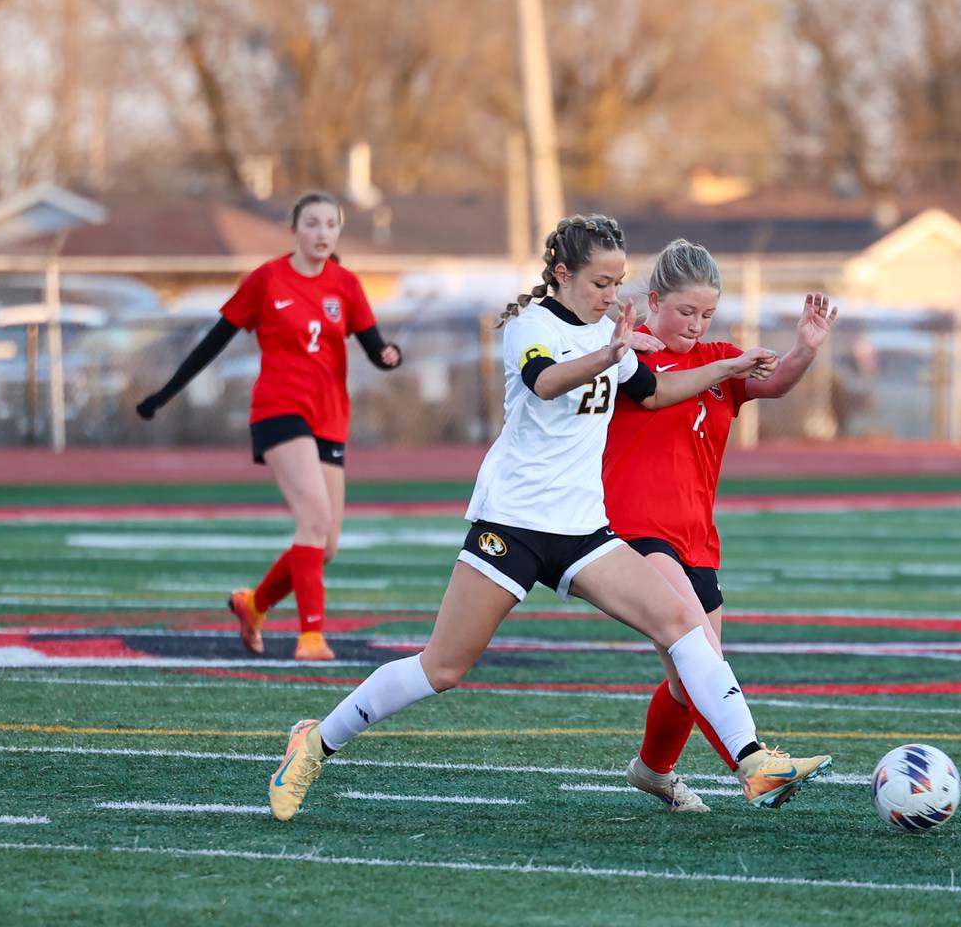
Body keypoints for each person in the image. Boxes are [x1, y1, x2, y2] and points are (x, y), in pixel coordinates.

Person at [267, 215, 832, 821]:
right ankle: (316, 741)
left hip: (584, 529)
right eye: (600, 283)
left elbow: (656, 392)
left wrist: (725, 367)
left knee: (682, 623)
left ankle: (752, 760)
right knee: (444, 666)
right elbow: (545, 382)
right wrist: (610, 351)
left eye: (618, 283)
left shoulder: (608, 332)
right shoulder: (530, 326)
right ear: (563, 274)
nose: (613, 296)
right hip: (512, 523)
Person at [603, 238, 838, 812]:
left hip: (698, 538)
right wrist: (612, 338)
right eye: (685, 311)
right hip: (637, 530)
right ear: (655, 299)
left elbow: (774, 383)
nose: (695, 324)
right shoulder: (629, 356)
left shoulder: (719, 358)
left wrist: (804, 348)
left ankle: (653, 771)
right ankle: (755, 765)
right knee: (700, 652)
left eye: (705, 314)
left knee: (691, 684)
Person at [135, 191, 401, 661]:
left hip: (331, 418)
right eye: (312, 224)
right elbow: (212, 343)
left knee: (327, 544)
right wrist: (164, 394)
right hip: (280, 411)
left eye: (330, 225)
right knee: (313, 520)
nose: (322, 233)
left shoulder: (346, 284)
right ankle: (311, 637)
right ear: (294, 229)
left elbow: (374, 345)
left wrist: (388, 356)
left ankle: (254, 604)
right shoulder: (266, 279)